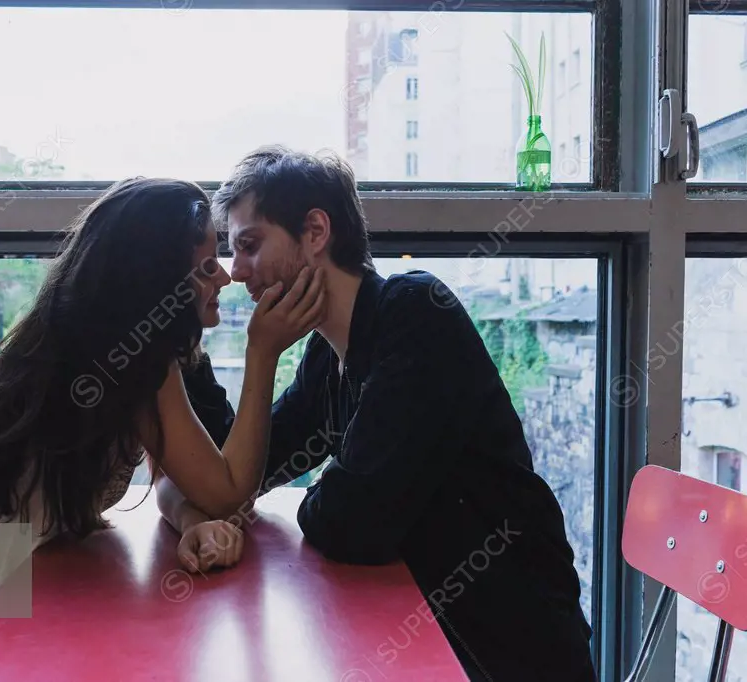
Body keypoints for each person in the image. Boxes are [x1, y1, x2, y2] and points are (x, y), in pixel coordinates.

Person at [154, 146, 597, 682]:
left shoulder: (415, 314)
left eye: (250, 245)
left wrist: (322, 495)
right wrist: (197, 347)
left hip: (505, 648)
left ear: (315, 232)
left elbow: (350, 524)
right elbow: (235, 474)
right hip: (422, 635)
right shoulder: (328, 355)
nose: (236, 270)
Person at [0, 177, 326, 680]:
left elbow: (168, 478)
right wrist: (262, 354)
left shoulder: (129, 354)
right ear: (157, 285)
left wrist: (189, 522)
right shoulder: (126, 363)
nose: (224, 278)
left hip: (31, 631)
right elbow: (228, 492)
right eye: (206, 268)